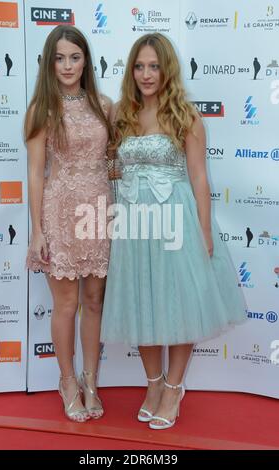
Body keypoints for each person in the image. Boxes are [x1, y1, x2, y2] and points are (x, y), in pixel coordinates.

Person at [101, 33, 246, 430]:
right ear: (131, 71)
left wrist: (204, 231)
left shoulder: (186, 115)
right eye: (139, 66)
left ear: (168, 69)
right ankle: (153, 385)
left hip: (176, 219)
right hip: (134, 221)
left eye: (154, 65)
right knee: (141, 301)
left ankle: (174, 387)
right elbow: (112, 169)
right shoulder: (121, 115)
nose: (147, 74)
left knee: (180, 303)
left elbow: (199, 177)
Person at [25, 25, 113, 422]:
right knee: (66, 304)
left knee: (94, 302)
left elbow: (113, 162)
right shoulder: (41, 109)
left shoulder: (104, 105)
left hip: (98, 212)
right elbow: (34, 173)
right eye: (59, 57)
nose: (67, 65)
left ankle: (91, 380)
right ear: (49, 62)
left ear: (85, 61)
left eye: (74, 57)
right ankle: (67, 381)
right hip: (60, 211)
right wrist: (37, 230)